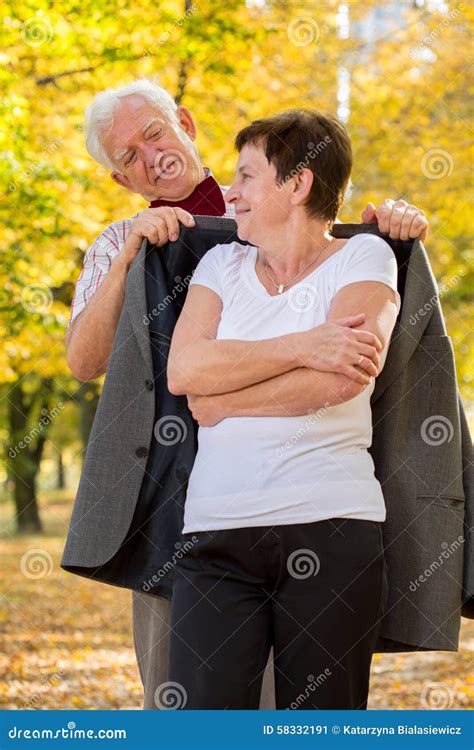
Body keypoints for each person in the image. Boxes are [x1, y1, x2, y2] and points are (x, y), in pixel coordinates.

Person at [64, 78, 428, 710]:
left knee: (307, 706)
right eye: (129, 157)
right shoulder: (130, 246)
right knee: (187, 701)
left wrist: (396, 223)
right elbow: (85, 361)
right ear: (122, 181)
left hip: (315, 501)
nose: (151, 156)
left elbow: (337, 265)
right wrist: (129, 259)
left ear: (185, 122)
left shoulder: (268, 208)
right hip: (174, 501)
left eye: (154, 134)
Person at [167, 109, 400, 709]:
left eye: (246, 176)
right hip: (215, 532)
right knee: (203, 730)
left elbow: (343, 380)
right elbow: (185, 372)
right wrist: (302, 346)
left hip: (331, 527)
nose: (231, 192)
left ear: (296, 184)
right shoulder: (221, 265)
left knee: (319, 730)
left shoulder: (364, 259)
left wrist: (222, 399)